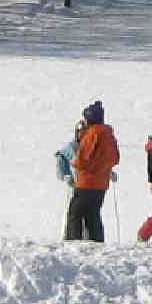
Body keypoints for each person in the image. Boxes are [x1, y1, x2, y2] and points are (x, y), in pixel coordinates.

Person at [65, 101, 120, 242]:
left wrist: (75, 163)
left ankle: (73, 241)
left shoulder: (93, 134)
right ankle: (97, 242)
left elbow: (83, 158)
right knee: (93, 214)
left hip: (87, 182)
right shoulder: (108, 134)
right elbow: (115, 158)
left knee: (75, 213)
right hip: (101, 183)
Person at [55, 119, 88, 239]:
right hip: (75, 186)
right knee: (71, 213)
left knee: (88, 215)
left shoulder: (92, 147)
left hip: (89, 187)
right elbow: (61, 158)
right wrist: (65, 176)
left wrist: (108, 173)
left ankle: (87, 238)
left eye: (86, 133)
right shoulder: (72, 147)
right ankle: (67, 237)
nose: (83, 135)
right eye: (81, 132)